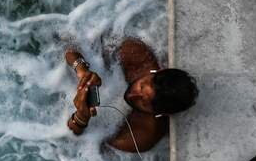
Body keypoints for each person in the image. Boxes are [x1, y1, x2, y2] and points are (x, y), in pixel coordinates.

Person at [64, 39, 199, 152]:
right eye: (142, 85)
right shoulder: (136, 55)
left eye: (143, 102)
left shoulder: (142, 135)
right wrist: (82, 71)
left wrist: (82, 116)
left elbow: (81, 142)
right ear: (155, 72)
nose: (133, 95)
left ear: (159, 114)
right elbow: (72, 47)